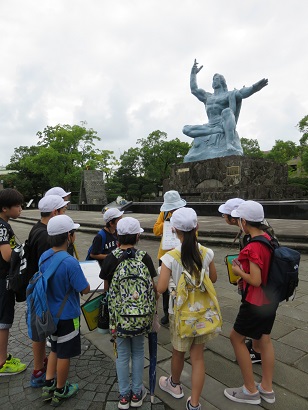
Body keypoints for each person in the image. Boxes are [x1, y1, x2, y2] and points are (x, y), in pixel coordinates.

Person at [157, 207, 217, 410]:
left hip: (180, 314)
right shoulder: (206, 253)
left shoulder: (170, 257)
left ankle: (174, 384)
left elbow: (162, 287)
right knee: (198, 357)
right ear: (197, 227)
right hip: (202, 314)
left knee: (178, 352)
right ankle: (195, 403)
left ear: (174, 230)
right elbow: (214, 278)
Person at [224, 201, 277, 405]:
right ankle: (267, 388)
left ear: (244, 221)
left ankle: (250, 390)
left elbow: (255, 280)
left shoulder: (253, 246)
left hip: (254, 301)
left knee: (236, 338)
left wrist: (238, 272)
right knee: (265, 340)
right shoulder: (268, 239)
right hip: (269, 301)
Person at [101, 217, 157, 409]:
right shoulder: (144, 257)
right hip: (142, 317)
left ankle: (124, 396)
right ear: (138, 236)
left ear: (118, 235)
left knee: (122, 354)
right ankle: (137, 392)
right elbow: (153, 288)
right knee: (139, 351)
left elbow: (107, 289)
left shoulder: (111, 258)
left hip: (119, 318)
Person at [40, 215, 90, 406]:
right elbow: (83, 288)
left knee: (54, 348)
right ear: (69, 236)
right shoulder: (70, 262)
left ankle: (48, 383)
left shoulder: (44, 257)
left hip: (49, 315)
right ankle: (61, 389)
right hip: (68, 316)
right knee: (64, 353)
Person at [183, 59, 268, 161]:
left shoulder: (229, 94)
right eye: (213, 79)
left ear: (222, 82)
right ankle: (213, 131)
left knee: (227, 111)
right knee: (186, 129)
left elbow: (241, 93)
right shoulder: (207, 97)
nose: (214, 81)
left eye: (216, 79)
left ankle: (229, 143)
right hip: (210, 126)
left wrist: (254, 88)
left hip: (223, 124)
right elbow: (194, 90)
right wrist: (193, 73)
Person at [26, 195, 70, 388]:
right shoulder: (46, 237)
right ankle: (39, 371)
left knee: (40, 329)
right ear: (55, 213)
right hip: (43, 295)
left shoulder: (37, 228)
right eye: (63, 210)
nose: (65, 212)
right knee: (41, 330)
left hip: (36, 290)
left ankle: (42, 365)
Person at [0, 188, 27, 376]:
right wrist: (22, 251)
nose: (20, 209)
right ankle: (2, 363)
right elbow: (7, 255)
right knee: (4, 321)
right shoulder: (2, 226)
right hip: (3, 281)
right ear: (4, 208)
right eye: (17, 206)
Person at [153, 190, 186, 325]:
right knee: (165, 285)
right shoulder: (164, 213)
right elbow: (155, 230)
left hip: (181, 255)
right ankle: (167, 312)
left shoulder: (186, 214)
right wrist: (166, 222)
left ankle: (182, 309)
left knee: (182, 282)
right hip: (165, 255)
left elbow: (194, 233)